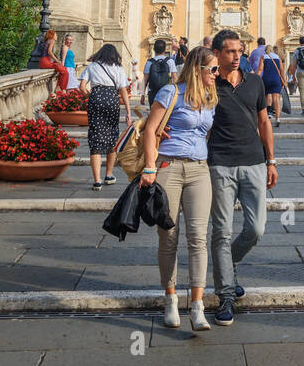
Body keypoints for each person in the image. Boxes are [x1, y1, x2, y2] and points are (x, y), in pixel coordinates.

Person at [139, 47, 218, 331]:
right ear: (197, 68)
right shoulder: (170, 93)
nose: (216, 75)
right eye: (213, 69)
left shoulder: (210, 97)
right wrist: (150, 166)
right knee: (169, 235)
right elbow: (150, 129)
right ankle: (170, 299)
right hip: (168, 167)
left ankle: (197, 307)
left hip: (199, 169)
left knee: (198, 237)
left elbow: (204, 132)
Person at [208, 29, 278, 327]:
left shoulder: (255, 82)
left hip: (254, 163)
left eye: (240, 51)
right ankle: (224, 295)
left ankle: (229, 265)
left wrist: (271, 160)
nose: (237, 56)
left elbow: (264, 121)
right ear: (217, 54)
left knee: (256, 228)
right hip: (220, 164)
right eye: (230, 51)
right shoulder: (208, 84)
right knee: (221, 232)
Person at [77, 44, 131, 190]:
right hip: (112, 99)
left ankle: (97, 180)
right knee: (112, 135)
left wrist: (91, 96)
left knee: (95, 136)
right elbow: (124, 91)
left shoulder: (92, 66)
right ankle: (108, 175)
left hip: (96, 98)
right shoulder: (119, 69)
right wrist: (128, 111)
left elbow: (82, 86)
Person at [142, 38, 178, 107]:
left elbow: (145, 80)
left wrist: (142, 95)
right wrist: (176, 94)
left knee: (153, 113)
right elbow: (175, 78)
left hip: (152, 92)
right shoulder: (170, 61)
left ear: (154, 49)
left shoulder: (149, 62)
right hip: (166, 92)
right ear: (165, 50)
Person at [261, 44, 287, 127]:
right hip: (276, 79)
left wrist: (255, 78)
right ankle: (278, 118)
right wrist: (284, 81)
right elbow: (282, 70)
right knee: (276, 98)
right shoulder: (277, 57)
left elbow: (260, 69)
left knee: (267, 95)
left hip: (266, 79)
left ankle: (268, 113)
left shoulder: (263, 57)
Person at [289, 35, 304, 114]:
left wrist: (293, 76)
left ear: (299, 42)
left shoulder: (296, 51)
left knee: (302, 91)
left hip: (299, 72)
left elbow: (294, 64)